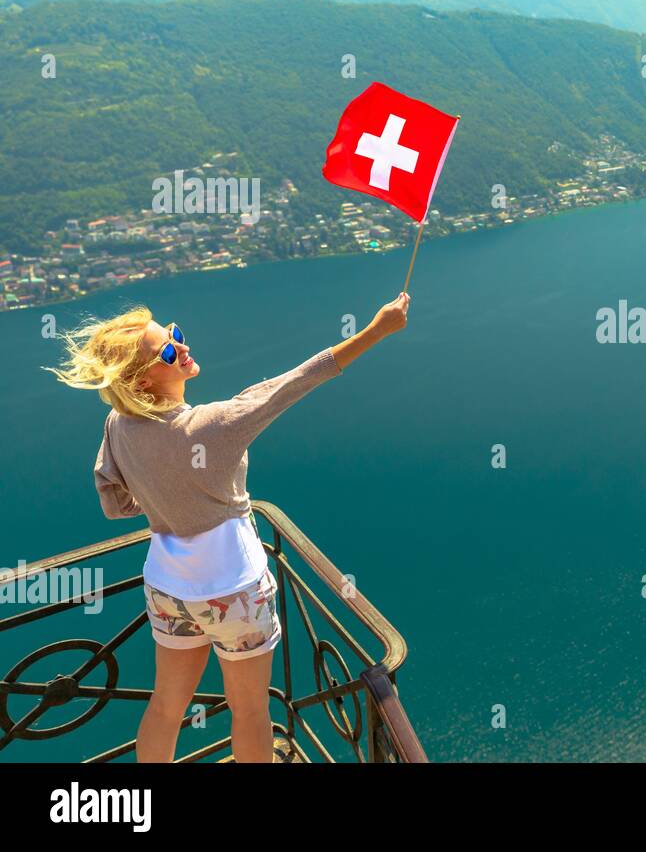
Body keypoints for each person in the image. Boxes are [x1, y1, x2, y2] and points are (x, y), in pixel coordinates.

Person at [46, 292, 411, 762]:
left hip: (167, 588)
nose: (183, 344)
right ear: (143, 378)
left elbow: (116, 503)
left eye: (175, 333)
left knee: (165, 706)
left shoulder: (119, 423)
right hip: (234, 589)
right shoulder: (214, 425)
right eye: (169, 349)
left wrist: (167, 497)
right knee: (251, 712)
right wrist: (377, 330)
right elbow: (298, 380)